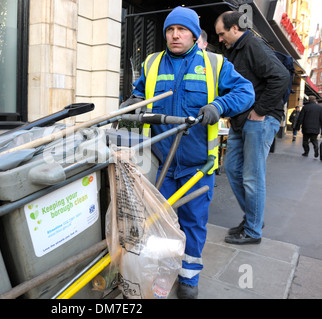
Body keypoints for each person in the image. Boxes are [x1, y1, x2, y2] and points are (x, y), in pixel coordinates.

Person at [122, 6, 255, 299]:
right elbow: (141, 93)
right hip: (161, 164)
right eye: (170, 30)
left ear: (194, 35)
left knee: (194, 223)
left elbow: (245, 92)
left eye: (181, 30)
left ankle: (189, 278)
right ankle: (162, 273)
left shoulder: (214, 64)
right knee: (160, 226)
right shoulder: (152, 63)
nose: (174, 35)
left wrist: (218, 107)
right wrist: (132, 103)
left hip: (198, 167)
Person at [214, 11, 290, 245]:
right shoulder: (234, 50)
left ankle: (253, 230)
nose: (220, 39)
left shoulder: (253, 45)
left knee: (252, 176)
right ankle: (253, 219)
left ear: (235, 28)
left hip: (259, 120)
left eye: (222, 33)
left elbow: (282, 76)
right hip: (241, 121)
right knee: (233, 169)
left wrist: (260, 111)